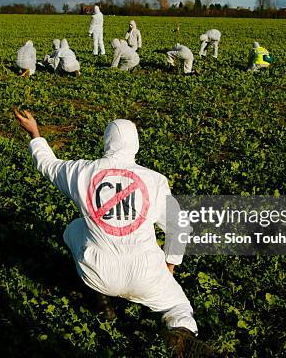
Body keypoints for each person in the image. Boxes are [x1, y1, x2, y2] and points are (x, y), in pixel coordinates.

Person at [13, 110, 214, 357]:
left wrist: (35, 133)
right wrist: (170, 267)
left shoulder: (82, 172)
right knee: (179, 305)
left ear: (106, 141)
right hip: (147, 274)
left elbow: (48, 165)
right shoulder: (155, 180)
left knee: (73, 229)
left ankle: (102, 299)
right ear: (136, 144)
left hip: (99, 270)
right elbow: (180, 226)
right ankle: (182, 333)